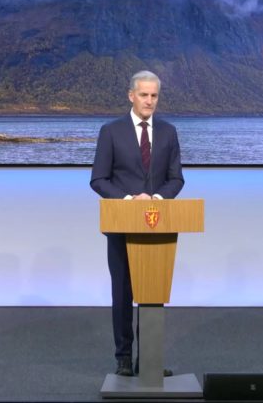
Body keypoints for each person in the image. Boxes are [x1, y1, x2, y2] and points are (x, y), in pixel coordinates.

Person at [90, 71, 184, 376]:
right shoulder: (111, 131)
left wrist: (155, 198)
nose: (149, 101)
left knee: (153, 293)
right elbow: (99, 179)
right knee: (122, 292)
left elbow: (176, 179)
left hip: (157, 227)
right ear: (131, 95)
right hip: (121, 225)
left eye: (154, 95)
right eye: (144, 95)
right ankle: (123, 358)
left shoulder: (169, 132)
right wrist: (131, 200)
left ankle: (149, 360)